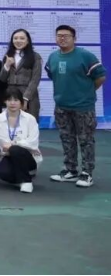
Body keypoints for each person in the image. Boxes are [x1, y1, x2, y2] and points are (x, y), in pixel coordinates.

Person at [46, 25, 107, 188]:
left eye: (66, 36)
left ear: (74, 38)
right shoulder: (53, 57)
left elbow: (101, 76)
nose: (62, 38)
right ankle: (70, 170)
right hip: (61, 106)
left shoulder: (85, 56)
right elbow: (53, 75)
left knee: (86, 140)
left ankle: (87, 173)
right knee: (67, 139)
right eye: (59, 35)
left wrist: (87, 92)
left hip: (83, 107)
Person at [0, 90, 43, 193]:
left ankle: (27, 181)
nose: (12, 103)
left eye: (16, 100)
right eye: (9, 100)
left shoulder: (30, 119)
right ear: (5, 101)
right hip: (8, 155)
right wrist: (13, 147)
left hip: (29, 155)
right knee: (3, 173)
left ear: (21, 102)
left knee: (15, 149)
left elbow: (33, 143)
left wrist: (14, 144)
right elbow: (3, 143)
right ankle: (22, 176)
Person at [0, 29, 42, 119]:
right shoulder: (8, 56)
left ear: (28, 41)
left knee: (29, 122)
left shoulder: (35, 56)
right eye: (15, 38)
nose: (18, 41)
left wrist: (25, 98)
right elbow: (2, 78)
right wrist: (7, 65)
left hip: (29, 95)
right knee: (12, 122)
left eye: (22, 38)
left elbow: (35, 79)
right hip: (11, 94)